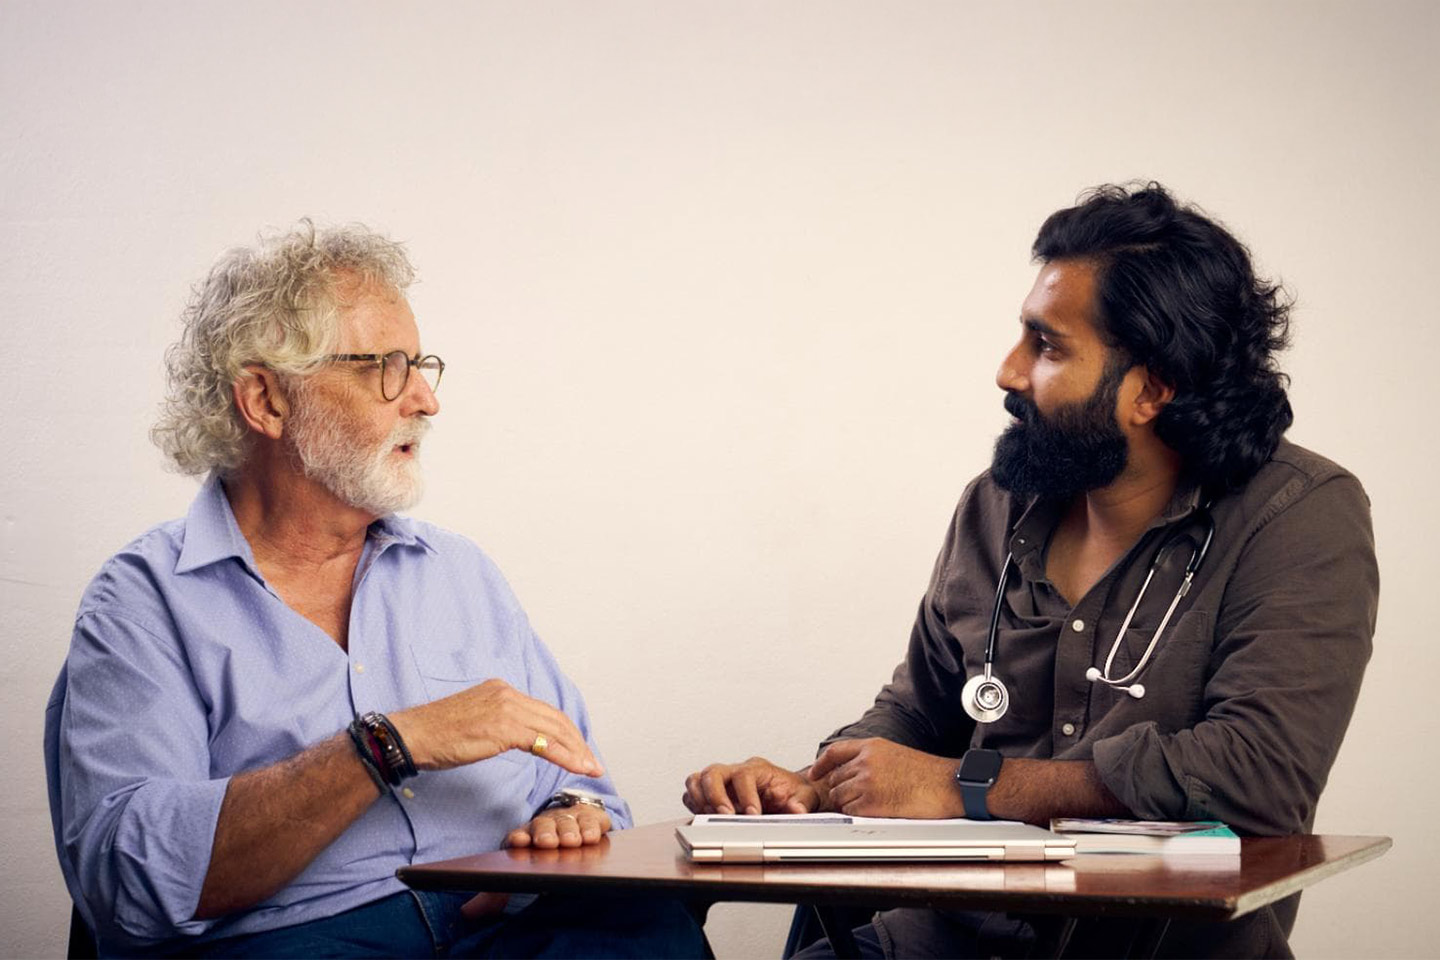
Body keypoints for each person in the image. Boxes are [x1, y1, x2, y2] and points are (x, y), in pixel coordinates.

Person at [683, 183, 1378, 959]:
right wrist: (812, 782)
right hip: (945, 939)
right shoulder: (995, 506)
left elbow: (1258, 774)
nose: (1008, 372)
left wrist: (965, 786)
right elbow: (919, 716)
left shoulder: (1296, 514)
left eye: (1047, 347)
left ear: (1153, 388)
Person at [45, 222, 705, 958]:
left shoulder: (459, 572)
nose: (424, 400)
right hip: (296, 941)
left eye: (421, 366)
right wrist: (387, 745)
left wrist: (568, 815)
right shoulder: (144, 602)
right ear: (266, 401)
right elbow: (125, 886)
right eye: (385, 368)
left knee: (654, 930)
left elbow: (584, 783)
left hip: (498, 929)